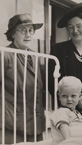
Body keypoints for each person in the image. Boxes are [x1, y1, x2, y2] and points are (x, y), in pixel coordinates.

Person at [48, 2, 82, 134]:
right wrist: (73, 100)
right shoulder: (58, 50)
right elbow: (51, 84)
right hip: (70, 116)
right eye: (70, 27)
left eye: (79, 26)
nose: (75, 31)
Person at [0, 13, 45, 143]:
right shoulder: (5, 55)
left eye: (31, 30)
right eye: (23, 30)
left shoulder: (33, 55)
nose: (28, 34)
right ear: (13, 34)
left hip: (36, 126)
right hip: (12, 127)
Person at [50, 76, 82, 145]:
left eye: (73, 96)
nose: (69, 99)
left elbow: (80, 130)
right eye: (64, 96)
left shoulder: (76, 113)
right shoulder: (61, 112)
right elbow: (63, 127)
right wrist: (69, 141)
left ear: (79, 97)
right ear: (59, 96)